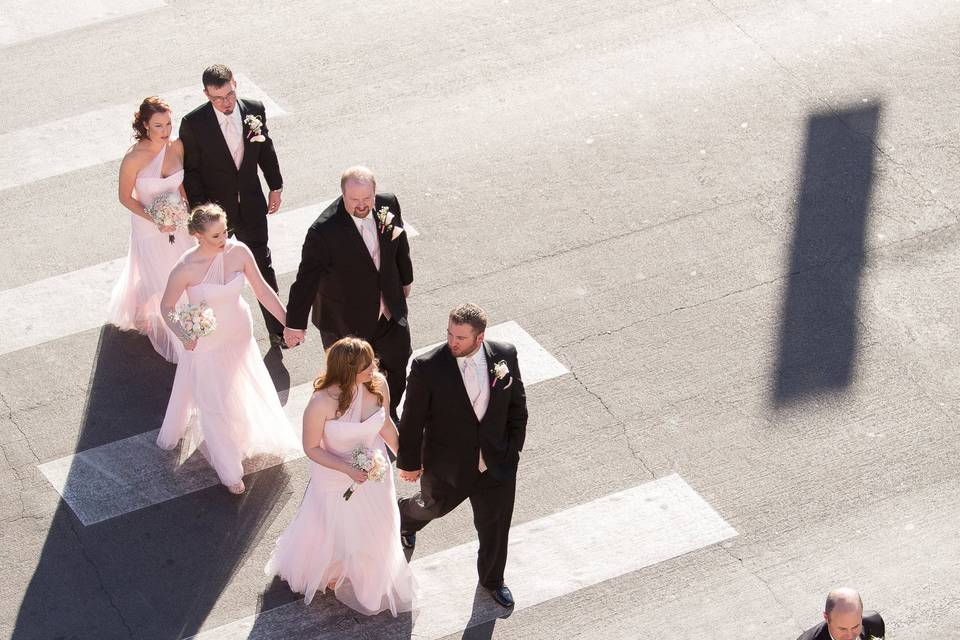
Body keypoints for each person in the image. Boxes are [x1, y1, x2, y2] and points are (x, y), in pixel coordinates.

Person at [265, 337, 416, 615]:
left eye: (371, 360)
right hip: (334, 477)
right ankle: (335, 568)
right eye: (366, 365)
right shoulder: (321, 403)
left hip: (374, 473)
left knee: (378, 525)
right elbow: (311, 447)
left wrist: (405, 460)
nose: (373, 367)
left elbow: (385, 424)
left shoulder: (379, 384)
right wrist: (347, 469)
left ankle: (368, 580)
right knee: (336, 528)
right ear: (346, 370)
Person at [156, 204, 299, 494]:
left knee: (238, 385)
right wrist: (183, 335)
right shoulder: (185, 267)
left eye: (224, 232)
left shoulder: (240, 251)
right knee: (213, 400)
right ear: (197, 235)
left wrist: (288, 323)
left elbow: (262, 290)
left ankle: (240, 434)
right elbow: (167, 307)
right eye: (215, 236)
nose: (223, 240)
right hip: (206, 341)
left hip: (238, 331)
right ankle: (228, 468)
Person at [397, 303, 527, 608]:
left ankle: (493, 580)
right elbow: (412, 418)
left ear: (479, 338)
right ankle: (404, 518)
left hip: (496, 464)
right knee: (431, 507)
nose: (452, 342)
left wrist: (512, 449)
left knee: (495, 525)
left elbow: (517, 407)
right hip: (448, 467)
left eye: (461, 337)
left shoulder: (505, 355)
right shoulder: (427, 366)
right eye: (450, 334)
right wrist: (409, 463)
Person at [284, 166, 414, 423]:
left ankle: (389, 412)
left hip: (388, 309)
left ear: (375, 193)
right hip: (345, 319)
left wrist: (405, 279)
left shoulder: (388, 204)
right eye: (354, 200)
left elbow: (400, 245)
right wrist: (295, 324)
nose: (362, 205)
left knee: (399, 361)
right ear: (343, 195)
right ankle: (357, 420)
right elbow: (306, 280)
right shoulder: (323, 231)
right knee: (350, 379)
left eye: (367, 198)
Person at [179, 64, 287, 347]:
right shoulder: (194, 123)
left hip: (251, 204)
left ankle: (279, 331)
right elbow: (192, 173)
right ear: (206, 94)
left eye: (229, 95)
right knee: (212, 274)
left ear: (235, 84)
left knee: (262, 265)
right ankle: (209, 335)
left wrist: (275, 185)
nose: (225, 103)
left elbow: (266, 149)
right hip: (217, 214)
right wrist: (202, 216)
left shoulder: (254, 110)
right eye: (217, 98)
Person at [107, 96, 194, 363]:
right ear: (145, 125)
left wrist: (187, 210)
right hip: (148, 225)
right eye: (158, 125)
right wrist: (155, 219)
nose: (166, 130)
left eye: (168, 123)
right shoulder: (134, 158)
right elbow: (125, 197)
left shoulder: (176, 147)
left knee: (182, 271)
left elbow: (180, 184)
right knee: (158, 274)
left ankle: (187, 318)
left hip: (178, 222)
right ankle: (162, 318)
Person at [796, 588, 885, 640]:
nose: (850, 637)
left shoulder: (875, 623)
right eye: (842, 629)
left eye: (855, 626)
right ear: (826, 618)